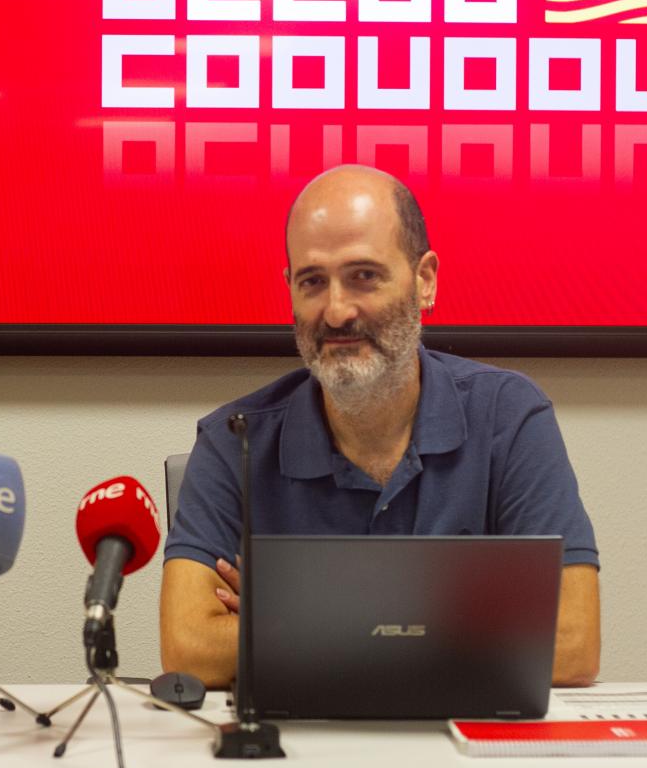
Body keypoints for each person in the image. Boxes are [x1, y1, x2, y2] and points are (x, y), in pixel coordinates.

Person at [159, 165, 600, 689]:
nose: (338, 311)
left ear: (425, 279)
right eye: (313, 282)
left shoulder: (509, 417)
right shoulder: (234, 440)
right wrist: (466, 622)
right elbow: (187, 648)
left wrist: (285, 624)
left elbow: (573, 642)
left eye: (364, 275)